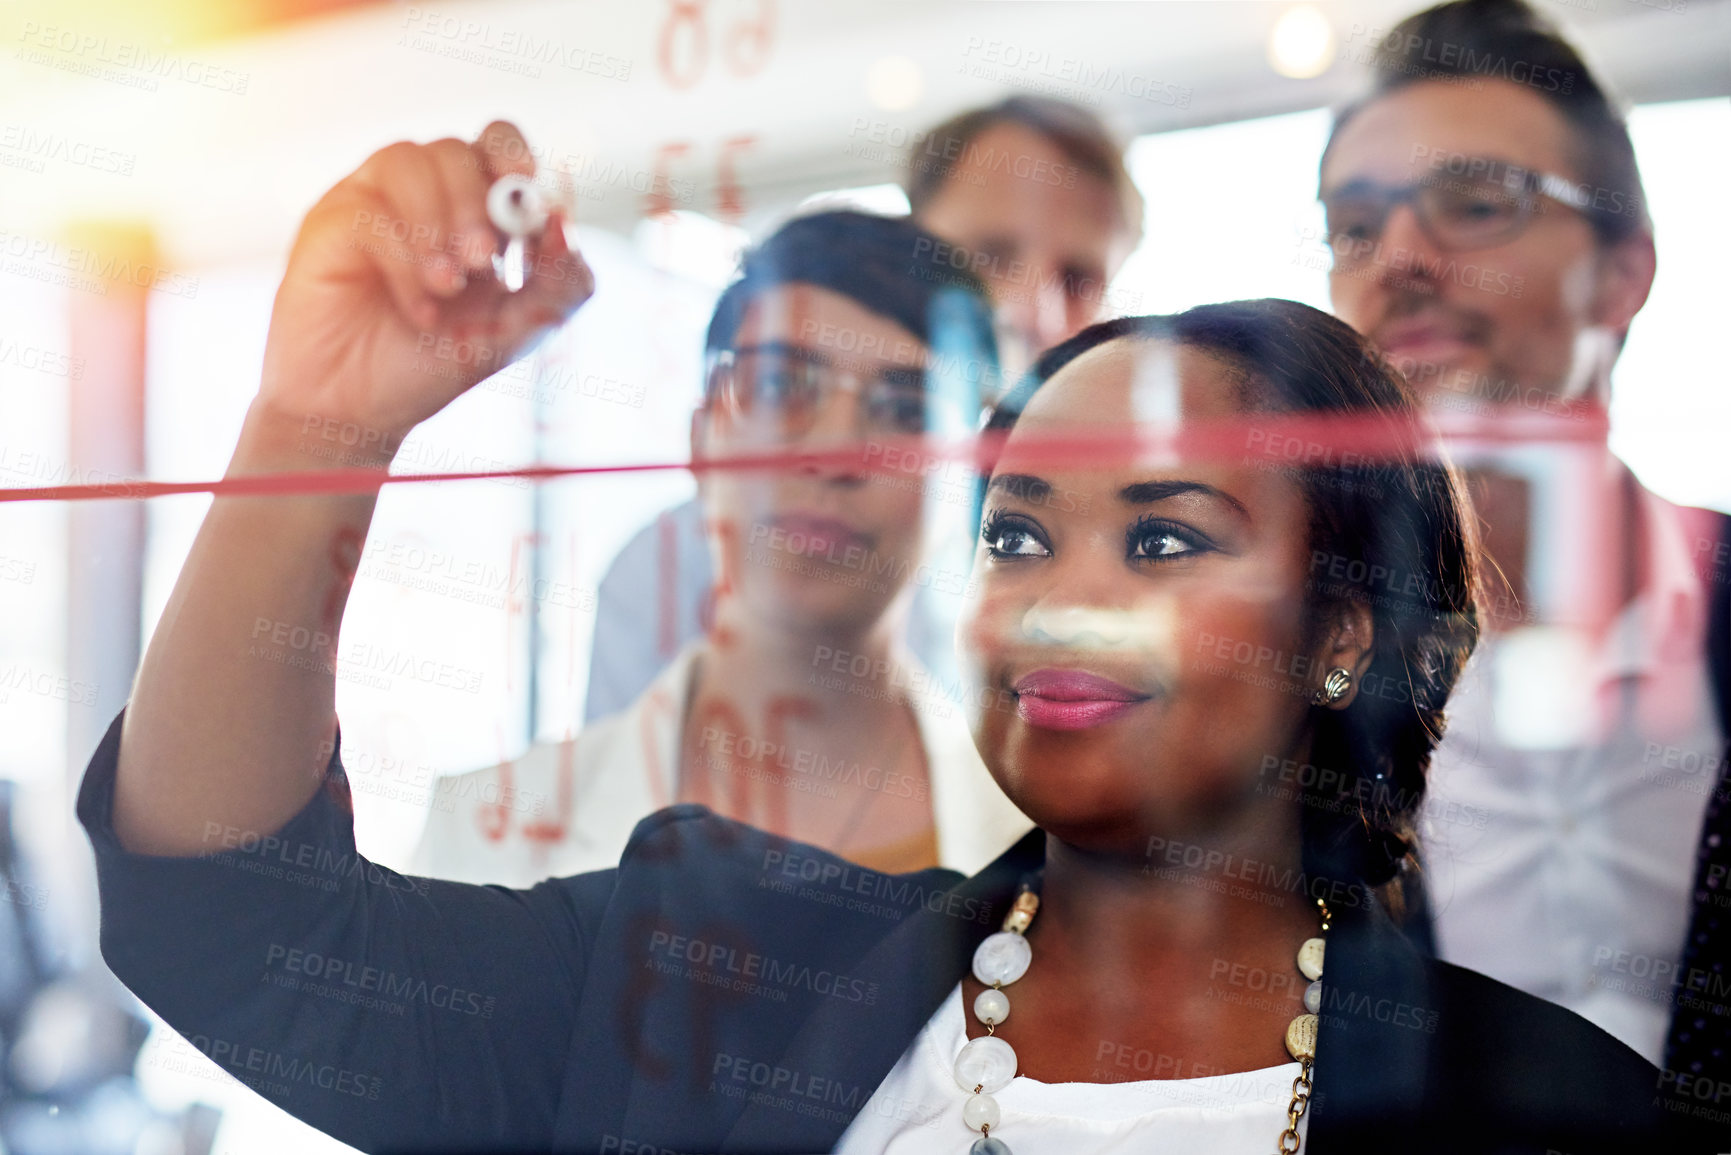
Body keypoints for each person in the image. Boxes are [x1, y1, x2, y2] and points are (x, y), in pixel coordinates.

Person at [80, 123, 1679, 1150]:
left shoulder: (1555, 1110)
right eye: (1018, 533)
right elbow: (227, 920)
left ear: (1338, 630)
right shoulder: (709, 966)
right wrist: (314, 427)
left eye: (1165, 536)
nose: (1059, 592)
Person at [1316, 0, 1731, 1118]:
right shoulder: (1293, 681)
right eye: (1355, 226)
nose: (1398, 259)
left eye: (1474, 203)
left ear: (1621, 273)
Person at [410, 206, 1028, 882]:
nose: (832, 450)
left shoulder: (1045, 842)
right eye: (779, 386)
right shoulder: (477, 831)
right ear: (702, 438)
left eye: (907, 409)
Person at [583, 96, 1145, 724]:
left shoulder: (1118, 560)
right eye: (991, 257)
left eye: (1077, 280)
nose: (1028, 312)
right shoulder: (686, 562)